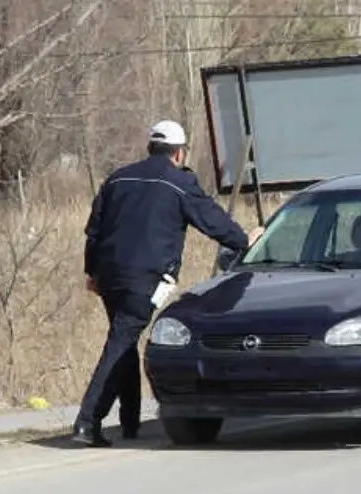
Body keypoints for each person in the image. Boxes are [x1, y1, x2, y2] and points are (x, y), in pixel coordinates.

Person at [73, 119, 264, 447]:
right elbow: (212, 220)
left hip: (109, 274)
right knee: (120, 342)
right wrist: (246, 241)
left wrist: (91, 272)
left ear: (151, 148)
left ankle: (129, 421)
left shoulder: (117, 179)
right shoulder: (179, 182)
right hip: (144, 277)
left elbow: (94, 231)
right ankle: (88, 422)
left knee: (124, 338)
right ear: (178, 153)